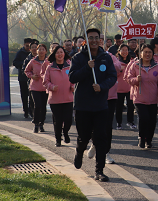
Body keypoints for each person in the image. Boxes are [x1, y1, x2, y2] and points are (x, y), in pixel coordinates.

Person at [69, 28, 117, 182]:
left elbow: (112, 76)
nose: (94, 40)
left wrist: (102, 86)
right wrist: (87, 68)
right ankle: (79, 151)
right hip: (83, 105)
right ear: (85, 40)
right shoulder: (78, 58)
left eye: (97, 38)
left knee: (101, 138)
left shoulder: (106, 57)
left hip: (100, 105)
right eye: (91, 38)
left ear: (100, 40)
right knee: (83, 137)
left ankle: (99, 171)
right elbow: (72, 77)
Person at [125, 44, 158, 148]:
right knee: (144, 118)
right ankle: (141, 137)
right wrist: (136, 79)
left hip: (153, 98)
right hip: (139, 97)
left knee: (152, 120)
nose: (147, 54)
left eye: (150, 52)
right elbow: (128, 79)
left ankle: (149, 139)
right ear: (141, 53)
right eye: (145, 52)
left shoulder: (157, 66)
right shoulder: (135, 65)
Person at [43, 45, 75, 147]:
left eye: (61, 52)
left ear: (64, 54)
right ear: (54, 55)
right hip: (55, 99)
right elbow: (45, 82)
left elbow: (74, 78)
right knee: (58, 120)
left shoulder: (69, 65)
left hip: (68, 98)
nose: (60, 54)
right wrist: (52, 87)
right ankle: (58, 139)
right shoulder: (50, 67)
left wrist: (73, 86)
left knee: (69, 120)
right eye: (57, 53)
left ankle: (65, 132)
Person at [25, 43, 50, 133]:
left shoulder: (48, 62)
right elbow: (26, 71)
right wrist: (32, 76)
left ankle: (41, 124)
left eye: (43, 49)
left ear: (46, 51)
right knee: (37, 105)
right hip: (35, 87)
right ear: (37, 51)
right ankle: (36, 124)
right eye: (40, 49)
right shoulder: (33, 61)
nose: (41, 51)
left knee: (43, 107)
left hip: (45, 87)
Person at [114, 44, 136, 130]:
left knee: (131, 105)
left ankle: (130, 121)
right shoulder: (116, 62)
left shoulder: (132, 61)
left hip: (130, 87)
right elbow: (113, 75)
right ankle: (119, 123)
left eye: (126, 50)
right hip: (119, 88)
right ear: (119, 51)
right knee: (119, 107)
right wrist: (119, 70)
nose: (124, 52)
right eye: (122, 50)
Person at [13, 38, 32, 118]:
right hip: (23, 78)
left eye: (30, 46)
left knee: (32, 96)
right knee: (24, 95)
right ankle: (25, 110)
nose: (28, 48)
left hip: (32, 78)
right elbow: (15, 62)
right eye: (27, 46)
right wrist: (25, 63)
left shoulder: (34, 53)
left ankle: (31, 110)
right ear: (24, 45)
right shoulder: (20, 53)